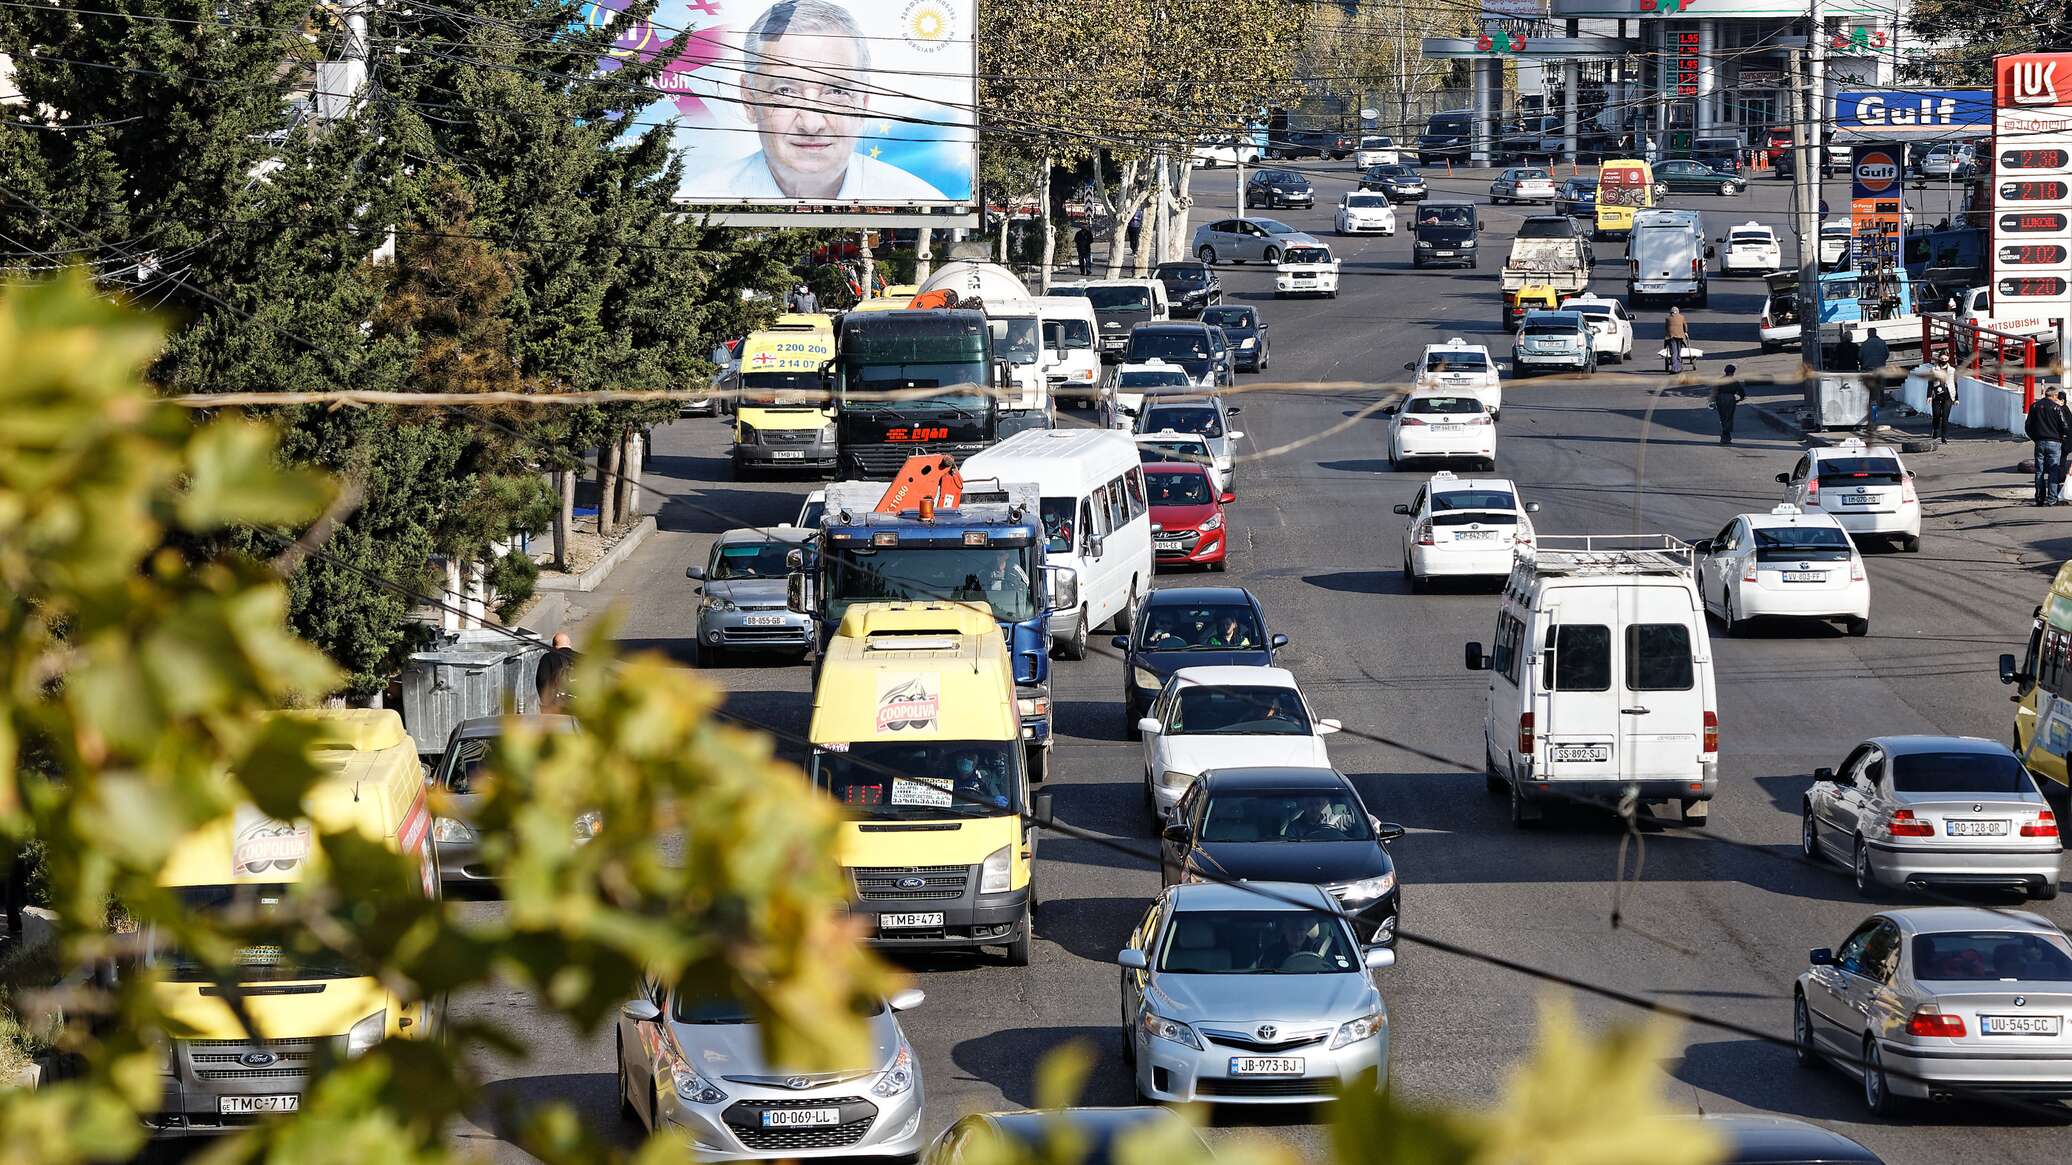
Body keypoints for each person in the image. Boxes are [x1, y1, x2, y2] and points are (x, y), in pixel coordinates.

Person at [716, 0, 950, 202]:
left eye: (836, 92)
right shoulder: (704, 191)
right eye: (785, 91)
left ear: (863, 103)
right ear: (749, 100)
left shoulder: (913, 194)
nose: (811, 124)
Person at [2025, 387, 2072, 506]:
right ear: (2054, 395)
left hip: (2039, 442)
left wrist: (2035, 438)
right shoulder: (2057, 408)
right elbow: (2065, 426)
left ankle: (2039, 498)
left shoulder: (2034, 406)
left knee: (2039, 470)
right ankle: (2052, 499)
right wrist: (2062, 437)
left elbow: (2028, 426)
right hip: (2055, 442)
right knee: (2053, 470)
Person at [535, 632, 579, 711]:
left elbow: (542, 681)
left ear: (553, 646)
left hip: (557, 708)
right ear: (570, 644)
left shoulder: (547, 658)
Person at [1927, 350, 1959, 442]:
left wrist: (1956, 398)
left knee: (1945, 416)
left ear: (1948, 359)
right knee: (1936, 415)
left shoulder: (1952, 370)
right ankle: (1935, 430)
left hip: (1948, 395)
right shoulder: (1933, 370)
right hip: (1936, 395)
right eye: (1942, 359)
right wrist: (1929, 396)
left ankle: (1944, 436)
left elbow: (1955, 384)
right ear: (1939, 359)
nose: (1943, 360)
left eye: (1945, 359)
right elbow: (1930, 383)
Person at [1713, 363, 1746, 445]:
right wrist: (1741, 397)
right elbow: (1741, 391)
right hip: (1730, 399)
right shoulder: (1734, 381)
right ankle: (1725, 436)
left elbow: (1715, 391)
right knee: (1729, 417)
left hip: (1720, 399)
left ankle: (1725, 436)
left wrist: (1714, 401)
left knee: (1723, 417)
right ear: (1733, 372)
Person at [1664, 307, 1690, 373]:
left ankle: (1674, 368)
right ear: (1678, 312)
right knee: (1678, 352)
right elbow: (1685, 326)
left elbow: (1666, 328)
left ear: (1671, 312)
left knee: (1673, 352)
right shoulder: (1682, 317)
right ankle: (1678, 367)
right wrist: (1686, 332)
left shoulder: (1668, 318)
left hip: (1671, 337)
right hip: (1680, 337)